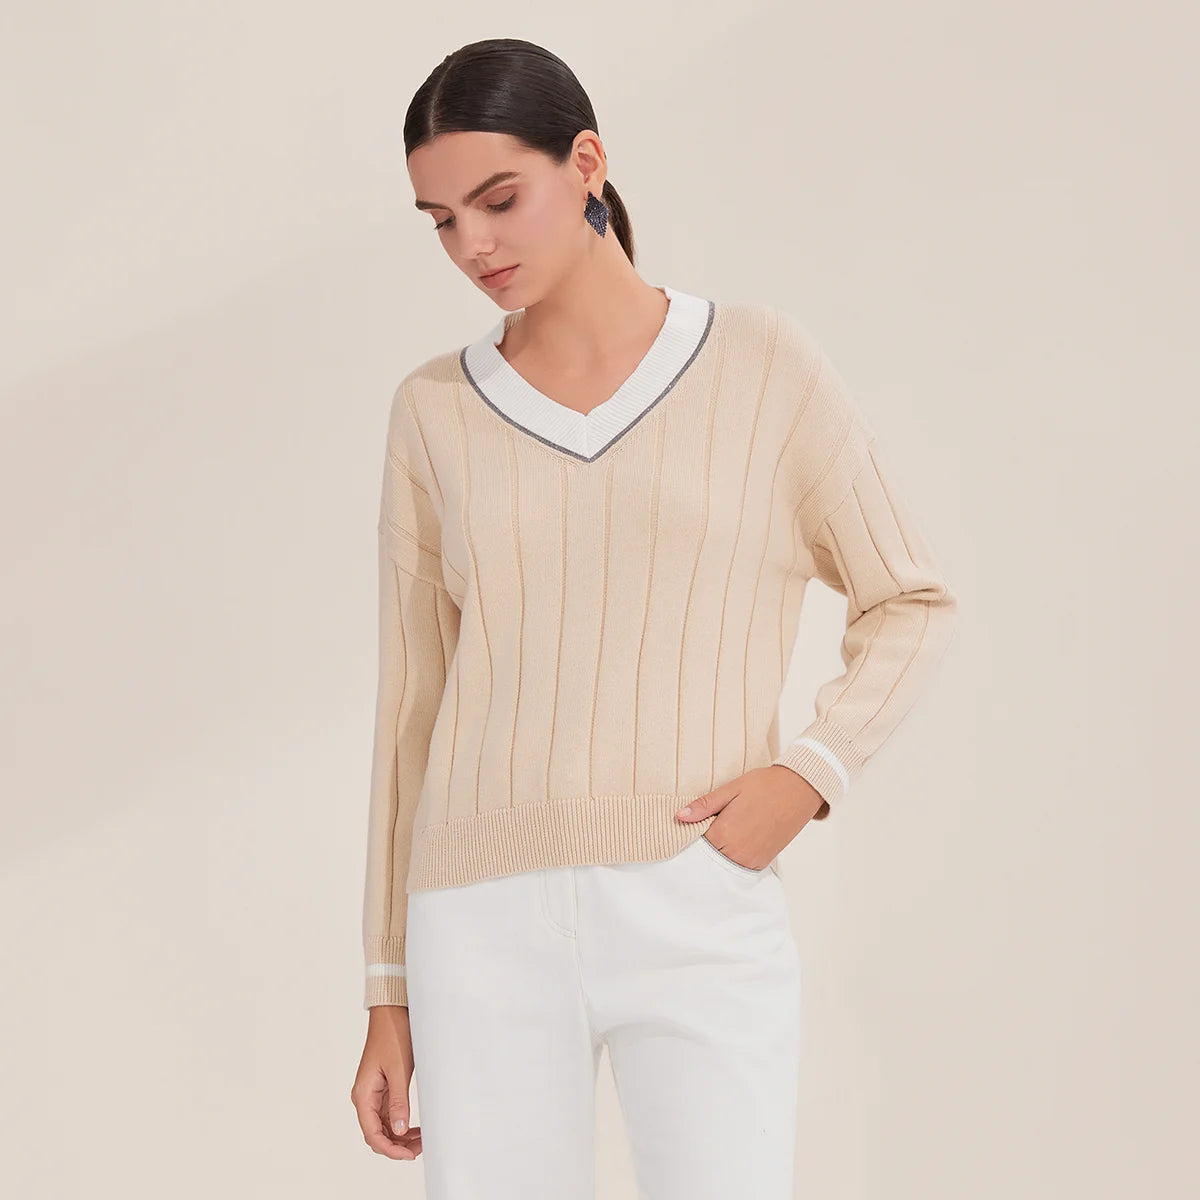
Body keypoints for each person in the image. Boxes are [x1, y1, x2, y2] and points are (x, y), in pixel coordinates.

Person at [349, 36, 958, 1200]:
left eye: (498, 200)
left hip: (698, 896)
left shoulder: (762, 365)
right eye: (441, 220)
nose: (472, 245)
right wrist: (388, 986)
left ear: (586, 163)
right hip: (475, 921)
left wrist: (809, 773)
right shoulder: (432, 411)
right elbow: (411, 710)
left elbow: (909, 598)